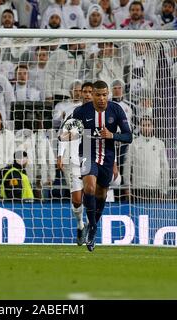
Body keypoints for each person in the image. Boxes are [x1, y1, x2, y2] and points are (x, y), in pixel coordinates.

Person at [71, 80, 132, 251]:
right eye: (98, 95)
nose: (101, 98)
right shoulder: (81, 111)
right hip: (87, 153)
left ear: (108, 94)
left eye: (104, 95)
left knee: (101, 194)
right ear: (92, 96)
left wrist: (112, 135)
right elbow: (70, 132)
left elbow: (129, 136)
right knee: (89, 188)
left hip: (107, 156)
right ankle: (92, 226)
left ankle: (93, 226)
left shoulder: (116, 110)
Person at [57, 81, 93, 246]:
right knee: (77, 200)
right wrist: (60, 155)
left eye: (89, 92)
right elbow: (64, 134)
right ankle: (80, 225)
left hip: (91, 158)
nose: (86, 94)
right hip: (73, 160)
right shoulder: (73, 113)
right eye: (84, 91)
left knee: (90, 193)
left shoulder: (101, 113)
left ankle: (89, 225)